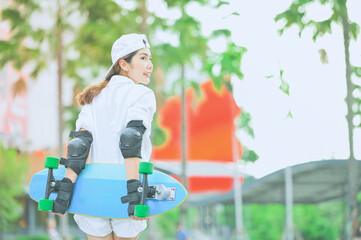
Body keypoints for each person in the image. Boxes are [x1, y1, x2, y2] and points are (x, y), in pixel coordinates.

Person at [52, 33, 156, 240]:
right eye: (143, 58)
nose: (150, 65)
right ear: (124, 64)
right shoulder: (142, 94)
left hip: (94, 189)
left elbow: (79, 146)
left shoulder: (94, 95)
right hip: (126, 188)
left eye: (150, 58)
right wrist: (134, 191)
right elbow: (131, 138)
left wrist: (65, 189)